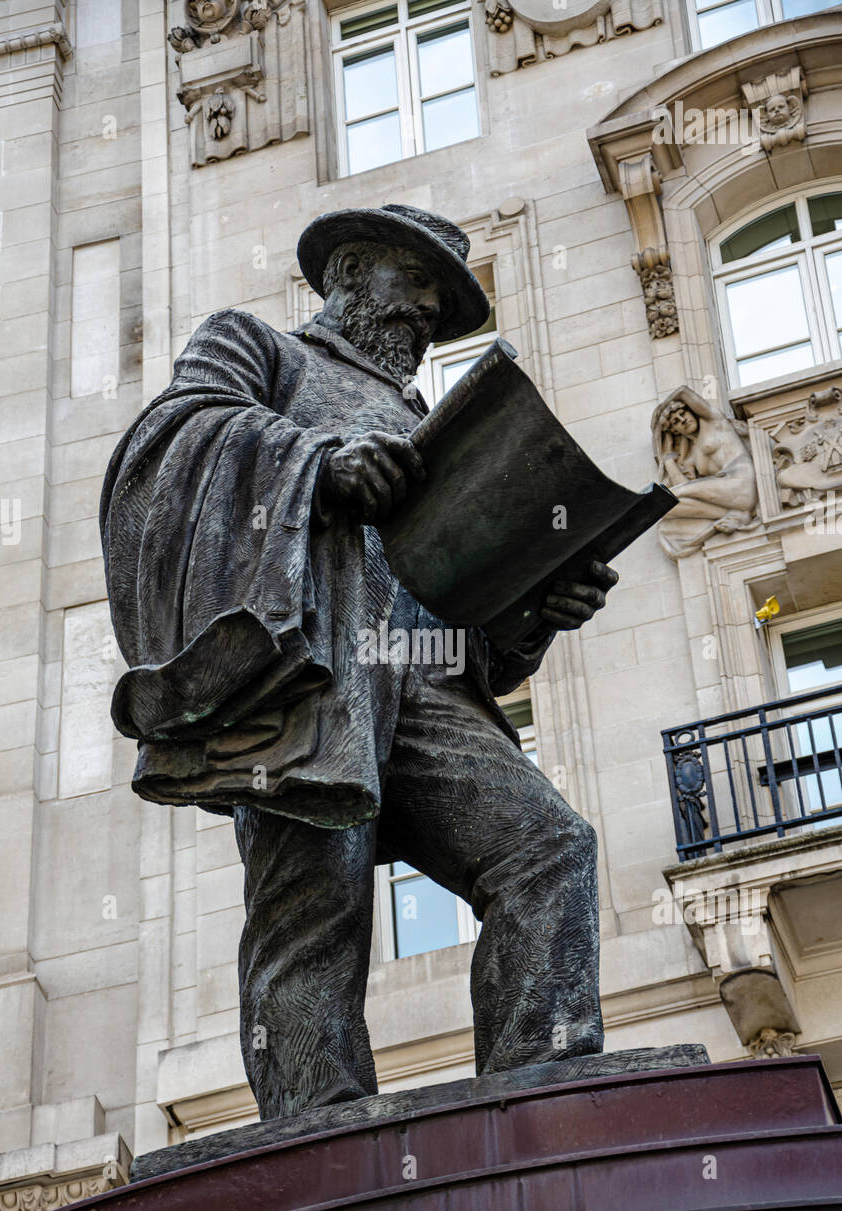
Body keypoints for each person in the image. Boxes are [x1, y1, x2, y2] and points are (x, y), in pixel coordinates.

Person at [100, 204, 618, 1119]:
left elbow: (476, 625)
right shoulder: (259, 349)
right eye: (416, 283)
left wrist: (537, 610)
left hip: (426, 676)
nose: (428, 312)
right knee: (314, 910)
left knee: (547, 847)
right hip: (311, 675)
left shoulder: (430, 417)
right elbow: (166, 451)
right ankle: (317, 1128)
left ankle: (544, 1101)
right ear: (348, 273)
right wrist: (316, 463)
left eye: (443, 300)